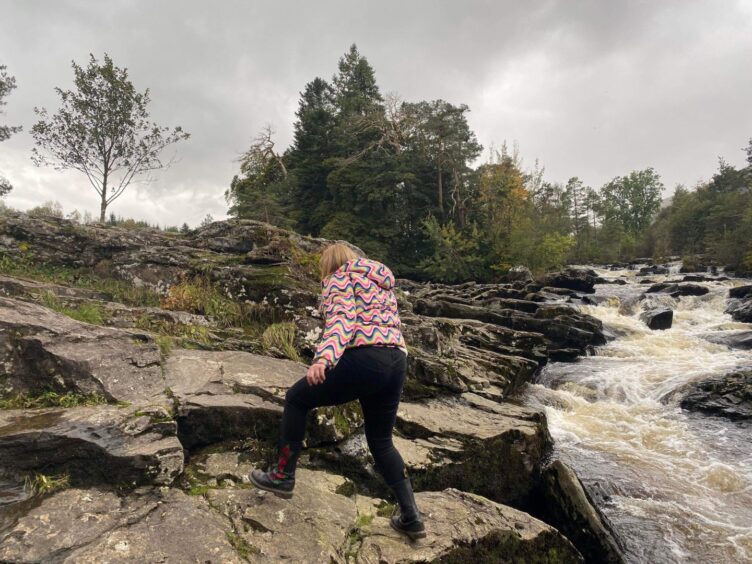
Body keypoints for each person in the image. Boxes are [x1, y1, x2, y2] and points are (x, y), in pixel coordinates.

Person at [249, 243, 426, 540]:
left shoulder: (339, 278)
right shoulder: (380, 282)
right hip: (397, 360)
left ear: (329, 265)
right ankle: (411, 516)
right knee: (381, 441)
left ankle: (282, 475)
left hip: (367, 357)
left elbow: (344, 319)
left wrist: (324, 358)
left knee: (296, 399)